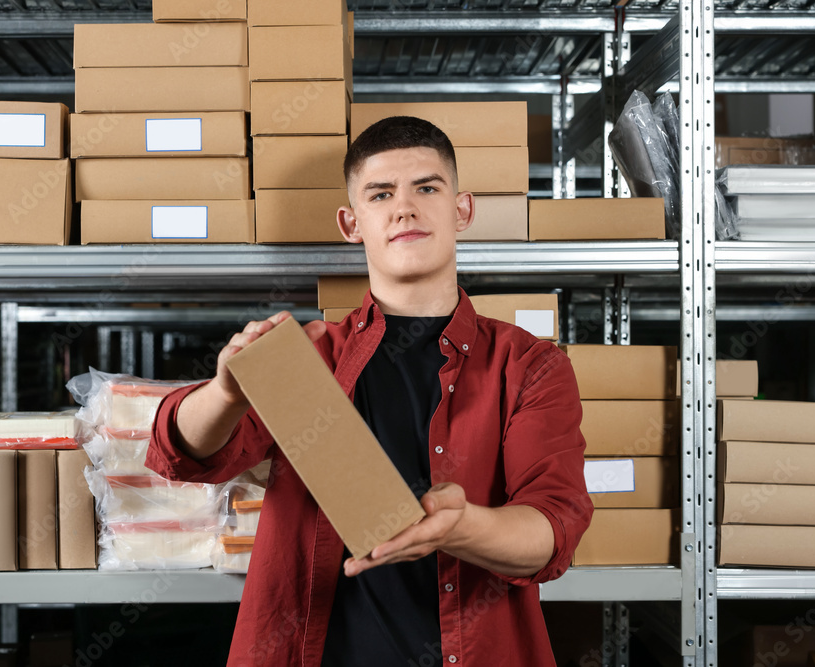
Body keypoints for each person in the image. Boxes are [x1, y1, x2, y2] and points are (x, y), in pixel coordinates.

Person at [147, 116, 593, 667]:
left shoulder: (528, 366)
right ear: (351, 222)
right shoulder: (307, 358)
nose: (404, 208)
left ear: (463, 209)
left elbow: (554, 528)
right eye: (381, 194)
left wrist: (460, 527)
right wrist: (224, 393)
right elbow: (184, 455)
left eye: (426, 188)